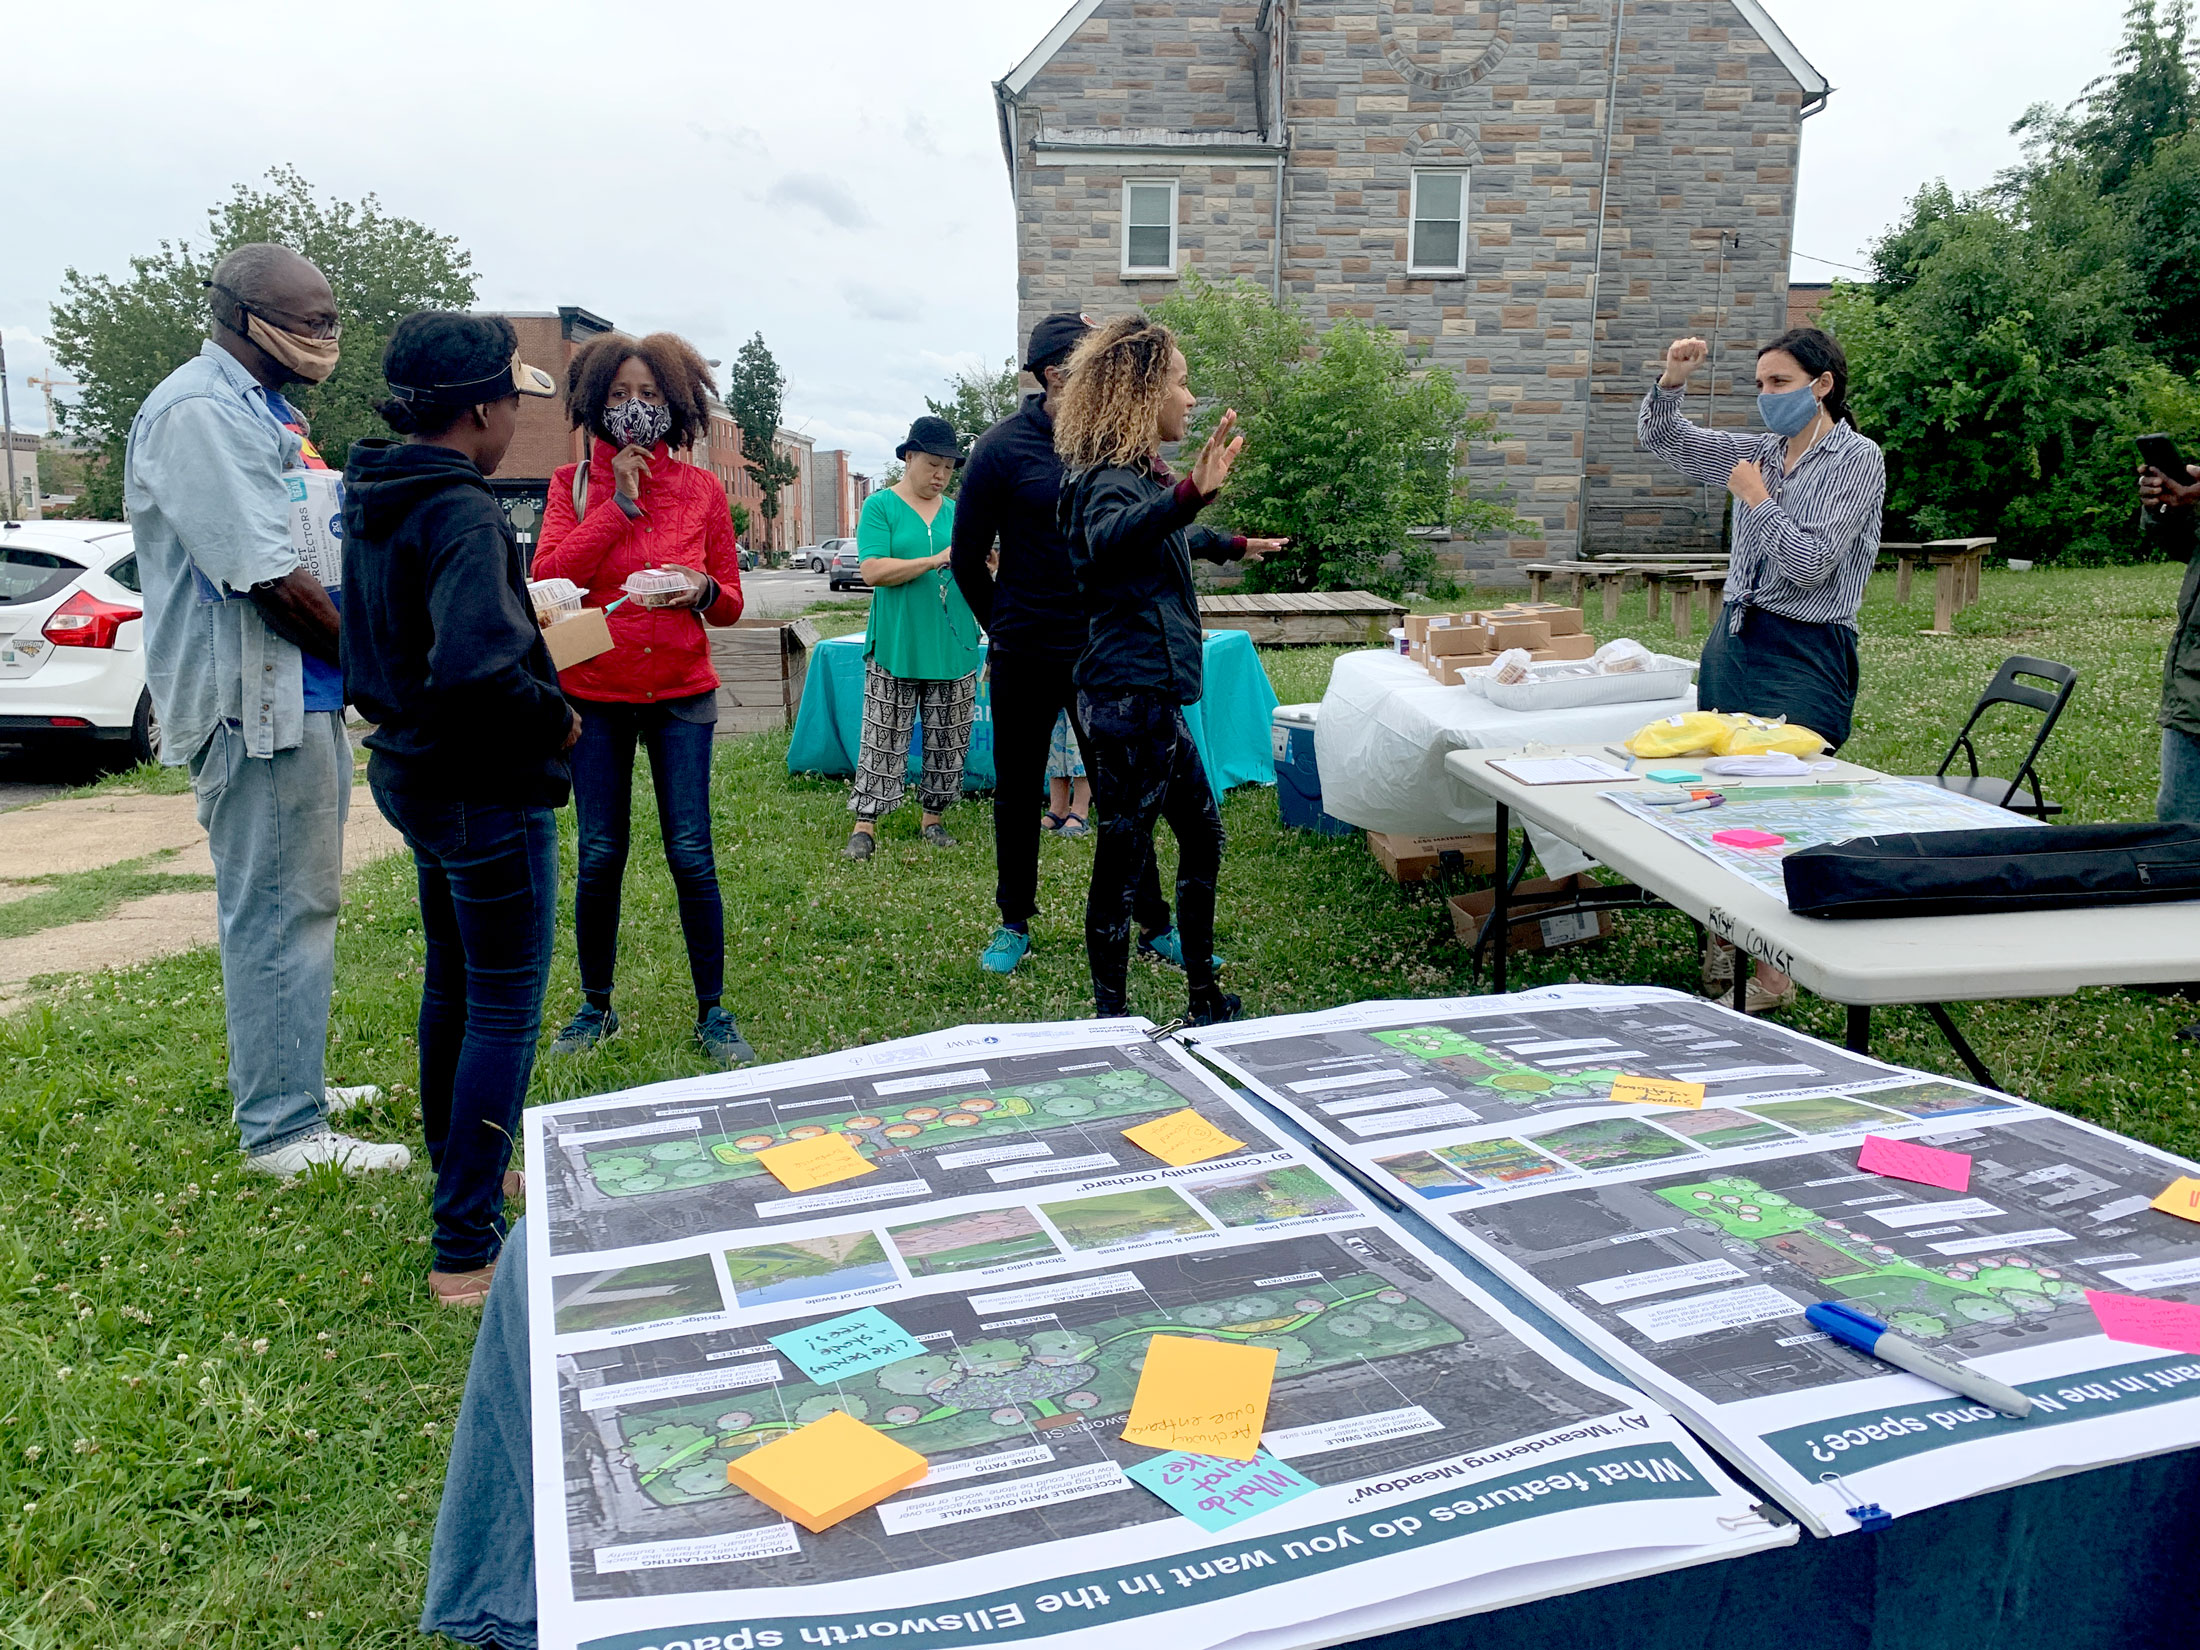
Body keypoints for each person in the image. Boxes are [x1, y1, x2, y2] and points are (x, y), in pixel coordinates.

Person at [122, 242, 409, 1178]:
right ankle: (283, 1131)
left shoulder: (264, 410)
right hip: (252, 705)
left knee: (304, 897)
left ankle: (292, 1079)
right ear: (239, 313)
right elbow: (272, 584)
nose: (324, 337)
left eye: (332, 320)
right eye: (307, 321)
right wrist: (387, 673)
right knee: (278, 905)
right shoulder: (201, 412)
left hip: (297, 695)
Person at [342, 313, 575, 1306]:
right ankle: (464, 1245)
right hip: (483, 785)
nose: (519, 414)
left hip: (410, 768)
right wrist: (554, 720)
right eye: (515, 397)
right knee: (503, 1009)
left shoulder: (378, 492)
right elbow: (478, 667)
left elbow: (376, 646)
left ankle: (459, 1164)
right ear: (484, 406)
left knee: (455, 981)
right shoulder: (463, 509)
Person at [1640, 326, 1886, 1015]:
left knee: (1787, 802)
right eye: (1759, 385)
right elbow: (1669, 442)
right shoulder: (1760, 451)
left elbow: (1811, 564)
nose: (1766, 397)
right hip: (1737, 639)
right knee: (1719, 795)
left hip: (1805, 648)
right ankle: (1731, 940)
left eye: (1779, 383)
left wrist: (1755, 499)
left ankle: (1780, 966)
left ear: (1822, 384)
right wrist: (1673, 381)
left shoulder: (1857, 460)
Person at [1053, 314, 1287, 1024]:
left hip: (1148, 696)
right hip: (1129, 698)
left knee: (1201, 834)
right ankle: (1111, 1021)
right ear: (1141, 392)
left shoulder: (1131, 475)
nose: (1190, 398)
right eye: (1181, 384)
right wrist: (1190, 494)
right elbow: (1113, 538)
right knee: (1122, 858)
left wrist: (1229, 541)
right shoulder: (1106, 483)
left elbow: (1162, 534)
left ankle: (1203, 998)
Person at [531, 332, 756, 1067]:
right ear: (596, 404)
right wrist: (617, 506)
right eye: (621, 396)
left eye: (651, 396)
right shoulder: (570, 485)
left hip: (682, 695)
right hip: (594, 695)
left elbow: (730, 604)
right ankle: (595, 1007)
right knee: (599, 854)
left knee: (691, 851)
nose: (636, 409)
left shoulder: (702, 490)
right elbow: (550, 581)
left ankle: (714, 1013)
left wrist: (704, 590)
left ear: (677, 405)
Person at [950, 313, 1186, 974]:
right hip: (1024, 650)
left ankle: (1154, 923)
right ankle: (1013, 922)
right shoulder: (1001, 450)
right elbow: (968, 559)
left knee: (1122, 792)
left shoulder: (1118, 444)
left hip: (1101, 653)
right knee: (1018, 790)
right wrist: (1005, 627)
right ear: (1056, 372)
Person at [844, 415, 983, 860]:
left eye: (948, 467)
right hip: (897, 644)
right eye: (932, 464)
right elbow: (872, 570)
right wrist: (933, 559)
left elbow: (974, 564)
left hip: (952, 643)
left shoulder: (960, 511)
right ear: (908, 457)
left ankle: (934, 818)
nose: (940, 475)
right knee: (882, 737)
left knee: (949, 737)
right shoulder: (880, 507)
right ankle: (865, 825)